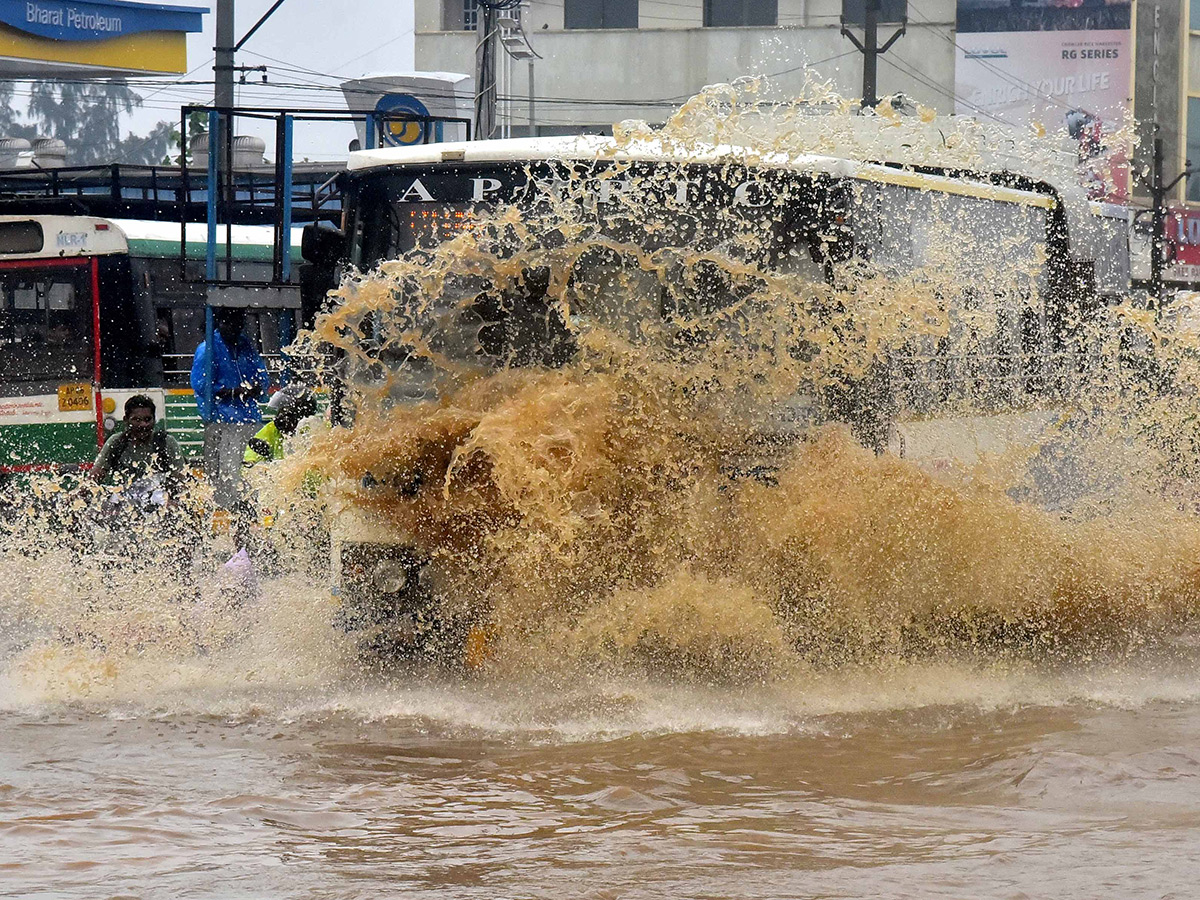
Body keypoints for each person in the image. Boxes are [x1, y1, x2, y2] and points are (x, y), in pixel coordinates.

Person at [189, 307, 270, 510]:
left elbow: (261, 375)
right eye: (230, 323)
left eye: (238, 324)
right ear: (220, 323)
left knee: (254, 472)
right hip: (221, 422)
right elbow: (202, 386)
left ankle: (252, 511)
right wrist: (232, 392)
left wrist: (256, 387)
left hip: (250, 420)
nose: (235, 328)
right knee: (226, 474)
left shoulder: (245, 345)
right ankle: (227, 514)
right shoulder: (207, 349)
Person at [91, 394, 184, 490]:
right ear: (126, 420)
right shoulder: (116, 443)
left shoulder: (166, 443)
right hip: (124, 495)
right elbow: (93, 479)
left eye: (147, 419)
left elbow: (182, 482)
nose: (143, 424)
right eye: (137, 420)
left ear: (154, 420)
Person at [244, 385, 319, 466]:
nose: (281, 418)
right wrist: (253, 461)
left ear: (301, 415)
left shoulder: (313, 432)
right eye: (280, 411)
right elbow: (252, 453)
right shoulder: (273, 428)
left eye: (288, 414)